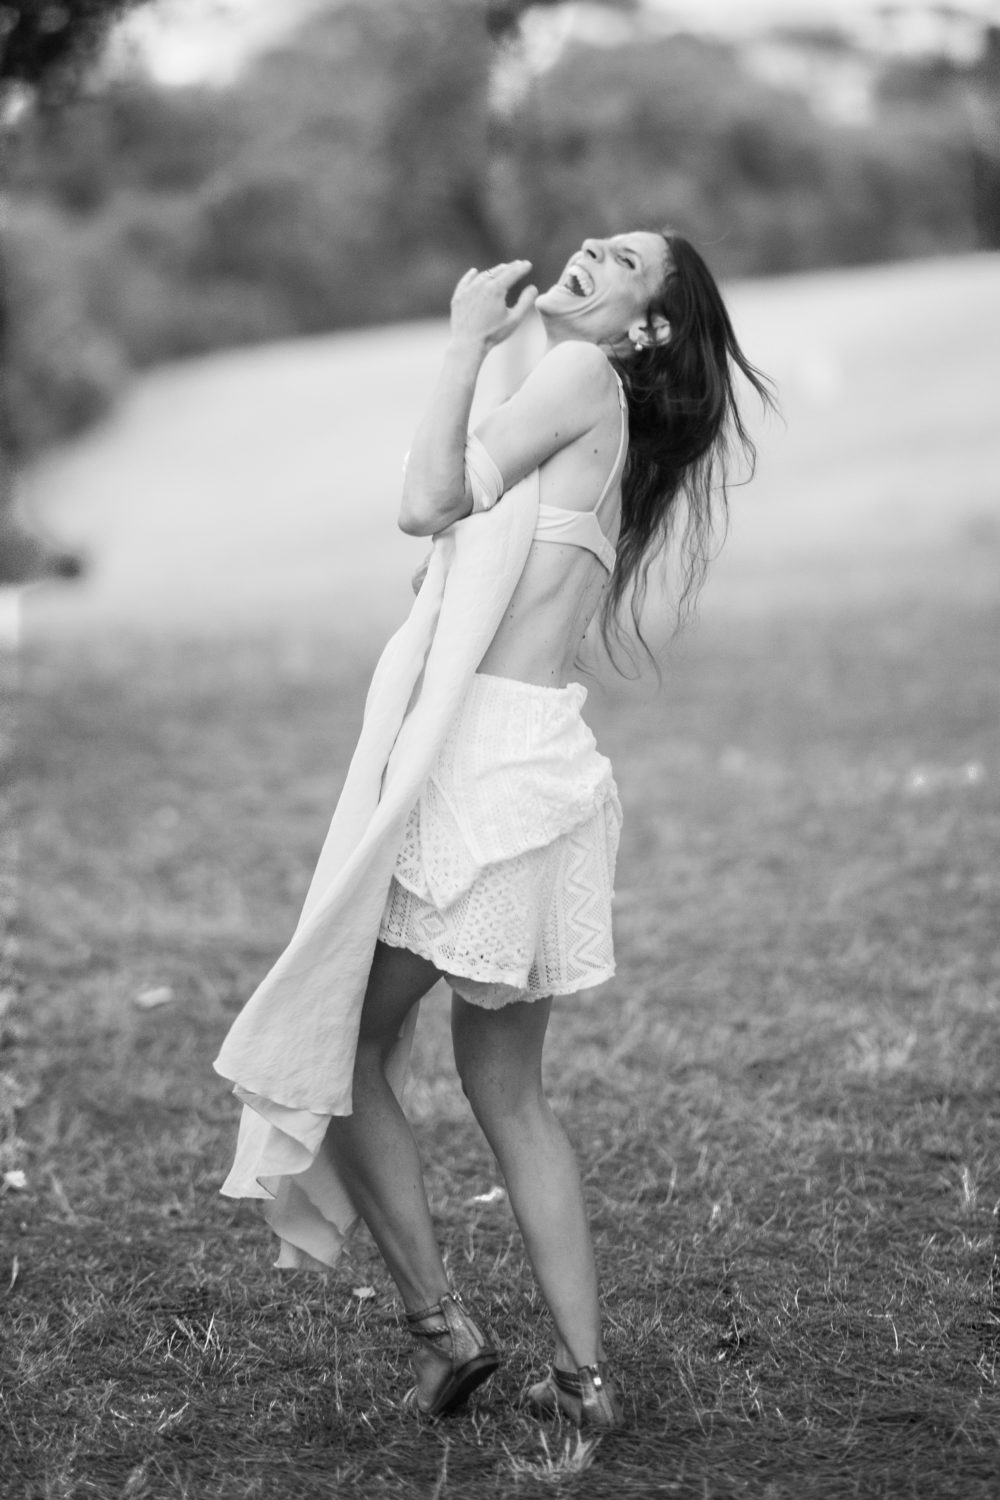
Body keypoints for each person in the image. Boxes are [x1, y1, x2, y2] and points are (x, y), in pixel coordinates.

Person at [214, 229, 772, 1431]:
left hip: (480, 773)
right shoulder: (598, 420)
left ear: (647, 327)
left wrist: (463, 342)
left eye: (624, 259)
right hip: (542, 767)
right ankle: (585, 1377)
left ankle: (439, 1326)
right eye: (601, 236)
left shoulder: (579, 378)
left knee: (335, 1048)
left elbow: (424, 503)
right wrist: (509, 347)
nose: (592, 246)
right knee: (509, 1093)